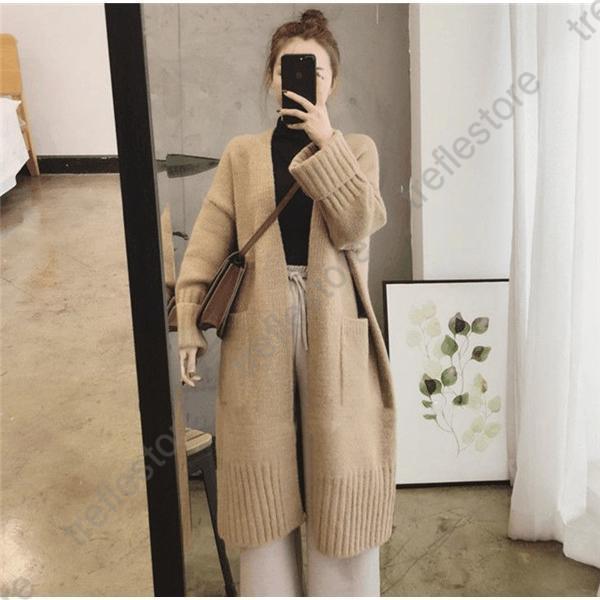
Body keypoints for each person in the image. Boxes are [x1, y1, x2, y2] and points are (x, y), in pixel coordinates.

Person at [176, 9, 396, 596]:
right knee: (264, 471)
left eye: (314, 70)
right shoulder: (242, 153)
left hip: (334, 326)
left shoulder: (357, 150)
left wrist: (326, 142)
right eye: (287, 68)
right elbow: (210, 239)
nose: (299, 78)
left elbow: (357, 225)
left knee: (338, 470)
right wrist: (189, 320)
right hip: (260, 327)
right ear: (272, 77)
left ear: (333, 82)